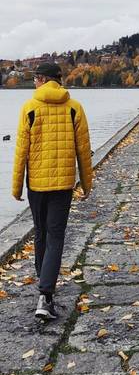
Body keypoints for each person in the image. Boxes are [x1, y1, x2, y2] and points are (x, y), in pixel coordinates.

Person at [12, 62, 92, 320]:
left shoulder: (29, 108)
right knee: (56, 236)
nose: (34, 83)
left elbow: (20, 152)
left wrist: (15, 186)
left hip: (37, 184)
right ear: (58, 81)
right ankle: (45, 294)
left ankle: (43, 288)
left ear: (41, 80)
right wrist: (87, 183)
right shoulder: (74, 108)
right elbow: (84, 150)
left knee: (41, 233)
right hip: (63, 185)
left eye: (36, 79)